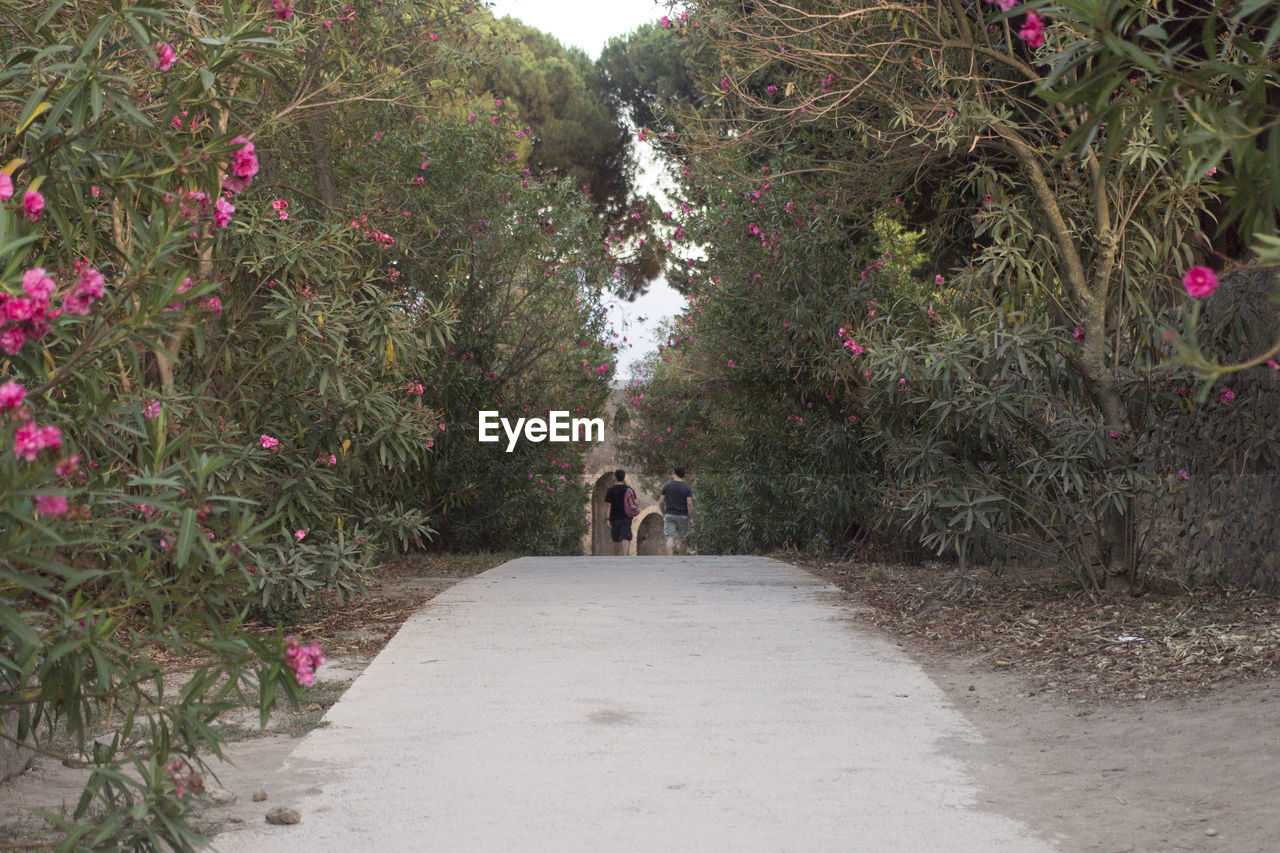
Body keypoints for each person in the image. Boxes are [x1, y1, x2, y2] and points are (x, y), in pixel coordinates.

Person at [659, 466, 693, 556]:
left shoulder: (667, 486)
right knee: (683, 538)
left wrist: (663, 513)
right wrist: (691, 518)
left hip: (669, 515)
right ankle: (682, 558)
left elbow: (661, 502)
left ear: (674, 474)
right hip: (683, 516)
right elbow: (689, 504)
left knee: (670, 537)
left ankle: (671, 560)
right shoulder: (687, 488)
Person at [603, 469, 634, 556]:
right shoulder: (629, 489)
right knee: (626, 537)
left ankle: (617, 557)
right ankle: (626, 556)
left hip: (614, 517)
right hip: (626, 516)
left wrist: (607, 519)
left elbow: (608, 505)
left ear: (615, 477)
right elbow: (635, 502)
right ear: (623, 478)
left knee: (616, 538)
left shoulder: (610, 490)